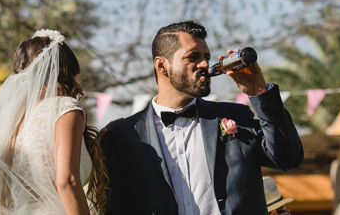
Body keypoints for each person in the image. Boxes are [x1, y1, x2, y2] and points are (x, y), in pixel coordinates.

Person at [100, 20, 304, 215]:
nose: (205, 64)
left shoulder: (236, 115)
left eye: (206, 56)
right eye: (193, 57)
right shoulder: (123, 136)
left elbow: (288, 157)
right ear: (161, 65)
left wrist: (259, 92)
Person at [0, 29, 108, 215]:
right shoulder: (65, 108)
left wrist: (99, 141)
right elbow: (66, 181)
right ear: (66, 72)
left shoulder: (10, 124)